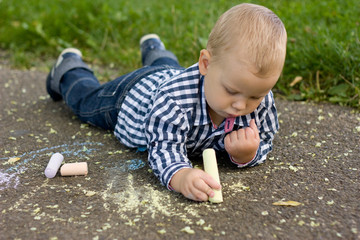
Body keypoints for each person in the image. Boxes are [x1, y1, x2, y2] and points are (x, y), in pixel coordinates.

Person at [46, 3, 287, 201]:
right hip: (131, 98)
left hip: (170, 76)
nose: (240, 105)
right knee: (86, 103)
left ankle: (154, 47)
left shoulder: (258, 97)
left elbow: (266, 137)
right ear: (206, 64)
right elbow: (164, 148)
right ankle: (69, 69)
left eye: (255, 96)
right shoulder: (174, 101)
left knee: (167, 68)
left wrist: (248, 154)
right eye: (231, 91)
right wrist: (181, 175)